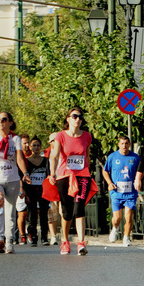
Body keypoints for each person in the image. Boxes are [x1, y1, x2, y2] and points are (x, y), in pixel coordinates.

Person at [50, 106, 94, 255]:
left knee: (79, 207)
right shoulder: (60, 136)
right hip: (64, 176)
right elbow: (54, 156)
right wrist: (52, 173)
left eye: (80, 117)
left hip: (82, 175)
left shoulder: (87, 136)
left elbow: (87, 156)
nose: (78, 119)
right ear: (68, 119)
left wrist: (88, 172)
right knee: (67, 211)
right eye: (74, 116)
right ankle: (64, 241)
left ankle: (81, 243)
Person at [0, 111, 24, 253]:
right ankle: (0, 238)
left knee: (10, 211)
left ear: (10, 122)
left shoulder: (16, 139)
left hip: (12, 179)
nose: (1, 122)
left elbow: (20, 158)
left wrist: (25, 173)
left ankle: (9, 243)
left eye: (4, 119)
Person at [104, 135, 142, 247]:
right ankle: (115, 229)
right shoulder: (112, 157)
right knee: (117, 218)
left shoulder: (135, 158)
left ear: (129, 144)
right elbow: (105, 171)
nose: (124, 146)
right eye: (122, 143)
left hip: (130, 192)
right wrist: (109, 183)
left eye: (126, 143)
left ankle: (126, 237)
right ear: (118, 144)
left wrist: (137, 181)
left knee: (129, 216)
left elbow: (140, 171)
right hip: (116, 192)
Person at [20, 135, 50, 248]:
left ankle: (44, 237)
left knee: (43, 213)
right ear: (30, 147)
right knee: (32, 214)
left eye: (38, 145)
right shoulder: (26, 162)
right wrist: (23, 191)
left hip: (43, 190)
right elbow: (22, 177)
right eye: (34, 145)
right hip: (31, 190)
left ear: (41, 147)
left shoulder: (46, 161)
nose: (36, 148)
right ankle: (33, 236)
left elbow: (49, 175)